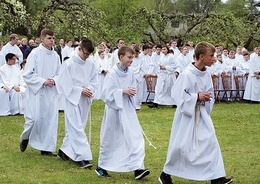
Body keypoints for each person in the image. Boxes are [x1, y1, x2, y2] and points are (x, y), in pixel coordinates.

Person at [158, 42, 233, 184]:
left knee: (211, 142)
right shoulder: (187, 74)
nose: (214, 59)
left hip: (202, 115)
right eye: (211, 56)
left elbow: (209, 93)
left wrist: (206, 100)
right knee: (181, 146)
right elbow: (177, 94)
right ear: (201, 56)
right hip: (187, 117)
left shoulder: (206, 74)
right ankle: (165, 174)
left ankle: (217, 178)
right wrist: (196, 97)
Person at [95, 46, 150, 180]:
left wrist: (130, 92)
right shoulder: (112, 74)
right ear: (121, 57)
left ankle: (138, 168)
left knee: (134, 137)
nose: (131, 60)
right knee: (112, 139)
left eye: (132, 57)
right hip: (114, 110)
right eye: (129, 57)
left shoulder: (130, 72)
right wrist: (122, 92)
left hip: (127, 109)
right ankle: (102, 166)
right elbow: (106, 94)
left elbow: (132, 86)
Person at [55, 38, 97, 168]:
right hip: (72, 99)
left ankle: (63, 151)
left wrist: (89, 89)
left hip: (84, 99)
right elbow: (64, 83)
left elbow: (94, 80)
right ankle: (81, 156)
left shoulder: (91, 64)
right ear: (79, 49)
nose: (86, 57)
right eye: (85, 53)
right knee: (76, 127)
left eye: (89, 55)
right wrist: (80, 90)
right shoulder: (68, 64)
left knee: (78, 126)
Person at [19, 29, 61, 156]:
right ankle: (25, 137)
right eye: (49, 38)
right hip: (37, 91)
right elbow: (27, 74)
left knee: (49, 120)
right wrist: (42, 81)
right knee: (34, 119)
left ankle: (46, 148)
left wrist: (54, 80)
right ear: (42, 39)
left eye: (53, 38)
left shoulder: (56, 55)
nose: (52, 40)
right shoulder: (35, 53)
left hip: (50, 92)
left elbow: (60, 72)